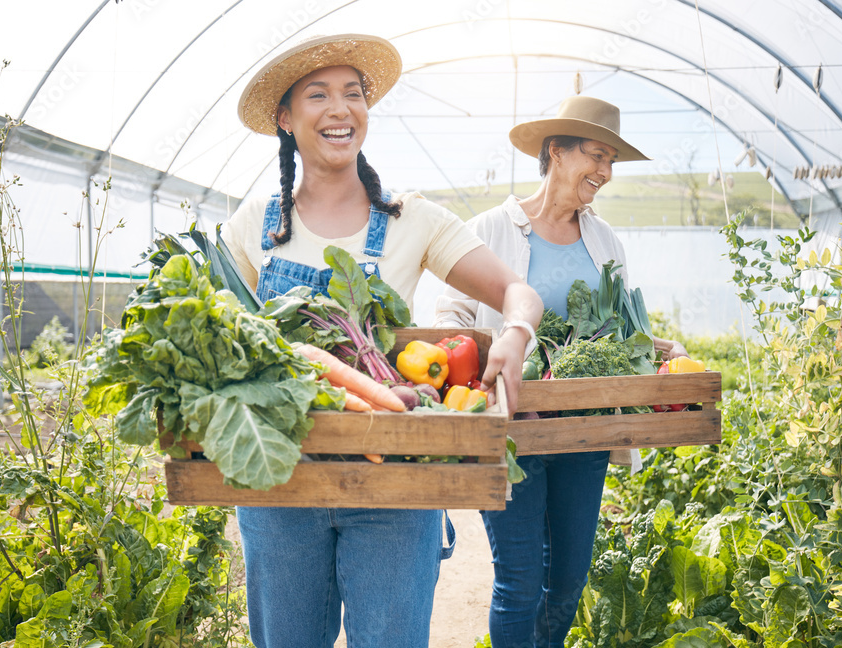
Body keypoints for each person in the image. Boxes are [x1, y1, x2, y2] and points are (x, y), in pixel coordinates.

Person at [220, 34, 543, 648]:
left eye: (354, 93)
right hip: (279, 485)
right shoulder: (253, 226)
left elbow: (518, 293)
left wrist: (517, 332)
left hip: (395, 483)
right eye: (318, 95)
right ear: (285, 119)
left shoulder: (412, 218)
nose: (340, 109)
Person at [433, 96, 689, 648]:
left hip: (583, 433)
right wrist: (492, 359)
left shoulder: (604, 240)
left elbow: (619, 328)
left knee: (568, 582)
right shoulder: (490, 230)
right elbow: (449, 317)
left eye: (612, 160)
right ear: (556, 151)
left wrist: (654, 349)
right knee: (520, 581)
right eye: (597, 155)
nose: (605, 172)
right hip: (511, 435)